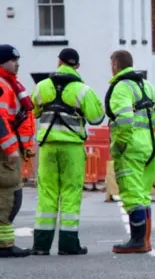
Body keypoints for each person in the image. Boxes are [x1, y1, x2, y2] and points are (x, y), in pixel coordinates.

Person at [30, 48, 105, 255]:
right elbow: (97, 118)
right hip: (71, 148)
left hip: (47, 147)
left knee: (47, 194)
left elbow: (33, 111)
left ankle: (41, 246)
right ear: (77, 66)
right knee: (70, 193)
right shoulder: (83, 90)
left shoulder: (42, 87)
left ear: (59, 62)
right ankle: (69, 245)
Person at [104, 50, 155, 253]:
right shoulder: (148, 86)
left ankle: (137, 241)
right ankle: (145, 240)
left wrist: (120, 144)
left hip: (131, 147)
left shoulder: (121, 88)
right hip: (150, 145)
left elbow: (125, 120)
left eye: (111, 65)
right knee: (144, 194)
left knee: (132, 193)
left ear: (116, 65)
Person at [0, 45, 35, 258]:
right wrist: (11, 148)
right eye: (13, 60)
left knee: (11, 195)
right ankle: (4, 246)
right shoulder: (3, 86)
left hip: (10, 150)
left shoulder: (9, 84)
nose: (17, 63)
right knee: (8, 196)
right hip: (5, 152)